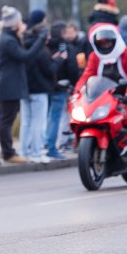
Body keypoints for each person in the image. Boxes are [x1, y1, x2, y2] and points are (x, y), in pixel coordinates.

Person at [74, 24, 127, 157]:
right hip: (104, 95)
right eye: (101, 43)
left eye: (108, 42)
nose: (105, 46)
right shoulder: (94, 57)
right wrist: (78, 93)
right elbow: (87, 76)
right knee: (84, 116)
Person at [0, 6, 46, 163]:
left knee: (7, 119)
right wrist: (41, 40)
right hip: (9, 85)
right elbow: (26, 56)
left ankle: (8, 151)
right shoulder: (8, 40)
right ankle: (8, 152)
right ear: (14, 23)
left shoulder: (7, 38)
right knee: (7, 120)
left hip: (9, 84)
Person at [21, 9, 55, 163]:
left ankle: (24, 151)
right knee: (38, 122)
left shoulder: (22, 43)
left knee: (26, 121)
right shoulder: (40, 49)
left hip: (25, 87)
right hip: (39, 88)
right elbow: (48, 69)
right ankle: (36, 152)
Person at [45, 21, 80, 160]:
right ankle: (52, 146)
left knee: (46, 117)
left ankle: (44, 144)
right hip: (60, 86)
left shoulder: (45, 46)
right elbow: (72, 67)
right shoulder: (66, 48)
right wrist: (73, 84)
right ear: (63, 33)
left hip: (46, 86)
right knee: (56, 117)